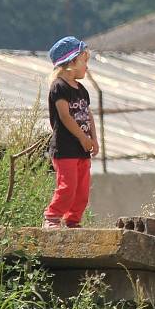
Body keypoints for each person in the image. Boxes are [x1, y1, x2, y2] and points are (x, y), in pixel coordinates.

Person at [43, 36, 100, 229]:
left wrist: (94, 139)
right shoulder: (59, 87)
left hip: (82, 149)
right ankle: (52, 217)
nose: (86, 67)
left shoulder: (81, 90)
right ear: (72, 62)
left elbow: (88, 115)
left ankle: (73, 221)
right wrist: (82, 137)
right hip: (66, 148)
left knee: (82, 190)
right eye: (84, 61)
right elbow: (65, 116)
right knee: (67, 187)